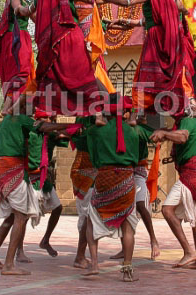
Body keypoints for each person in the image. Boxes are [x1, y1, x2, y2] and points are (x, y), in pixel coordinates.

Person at [89, 0, 191, 120]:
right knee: (174, 74)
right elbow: (178, 10)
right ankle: (186, 105)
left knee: (143, 77)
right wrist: (128, 21)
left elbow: (128, 1)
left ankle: (136, 116)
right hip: (171, 41)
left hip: (155, 40)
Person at [0, 104, 73, 275]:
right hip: (14, 169)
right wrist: (70, 125)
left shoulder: (8, 120)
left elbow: (54, 132)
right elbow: (43, 126)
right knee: (21, 215)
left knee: (12, 216)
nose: (34, 108)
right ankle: (10, 264)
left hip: (8, 168)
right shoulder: (22, 120)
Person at [34, 0, 102, 118]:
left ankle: (50, 118)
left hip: (51, 45)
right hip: (70, 37)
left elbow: (26, 11)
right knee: (84, 75)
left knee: (53, 78)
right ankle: (98, 114)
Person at [84, 94, 140, 282]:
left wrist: (97, 119)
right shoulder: (135, 132)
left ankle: (94, 264)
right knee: (128, 225)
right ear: (125, 112)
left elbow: (90, 151)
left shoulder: (96, 131)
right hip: (126, 180)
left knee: (91, 219)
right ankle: (127, 270)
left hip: (104, 178)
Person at [151, 116, 196, 270]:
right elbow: (177, 133)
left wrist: (164, 135)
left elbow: (182, 136)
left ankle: (189, 251)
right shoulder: (191, 120)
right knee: (195, 216)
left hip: (193, 173)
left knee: (167, 209)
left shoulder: (187, 120)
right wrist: (163, 132)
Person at [110, 115, 160, 261]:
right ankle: (124, 248)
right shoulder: (116, 129)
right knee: (122, 209)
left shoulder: (138, 129)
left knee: (140, 205)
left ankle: (153, 240)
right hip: (123, 171)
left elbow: (154, 136)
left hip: (138, 171)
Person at [23, 112, 69, 259]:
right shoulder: (32, 130)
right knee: (22, 216)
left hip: (44, 179)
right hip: (29, 177)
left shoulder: (51, 136)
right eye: (50, 119)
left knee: (58, 208)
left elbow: (65, 137)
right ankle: (18, 251)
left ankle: (45, 240)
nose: (52, 121)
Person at [0, 0, 37, 114]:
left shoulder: (25, 2)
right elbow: (19, 10)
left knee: (27, 73)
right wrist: (34, 6)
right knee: (21, 72)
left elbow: (37, 19)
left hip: (23, 39)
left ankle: (19, 108)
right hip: (15, 39)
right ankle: (7, 108)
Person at [68, 115, 98, 269]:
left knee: (87, 217)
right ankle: (80, 256)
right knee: (88, 218)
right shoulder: (93, 132)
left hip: (83, 175)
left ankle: (86, 256)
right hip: (87, 176)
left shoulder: (82, 131)